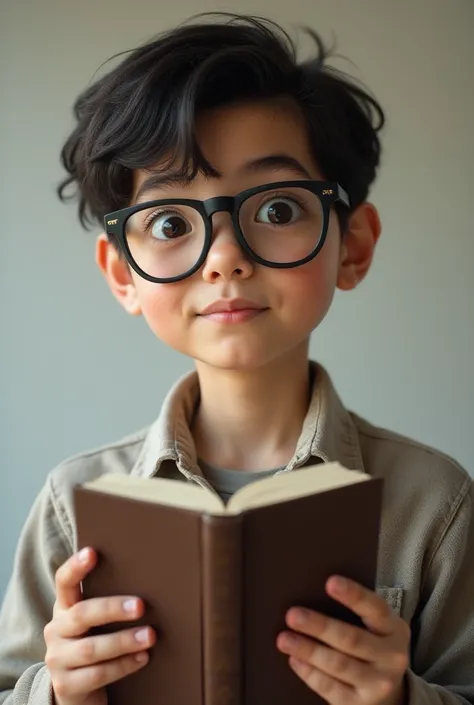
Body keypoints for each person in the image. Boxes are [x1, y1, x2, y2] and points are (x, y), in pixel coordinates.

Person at [1, 12, 473, 705]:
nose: (225, 256)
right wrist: (58, 691)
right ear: (122, 272)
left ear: (354, 244)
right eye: (169, 223)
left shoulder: (435, 502)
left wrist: (401, 698)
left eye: (278, 210)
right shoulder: (74, 503)